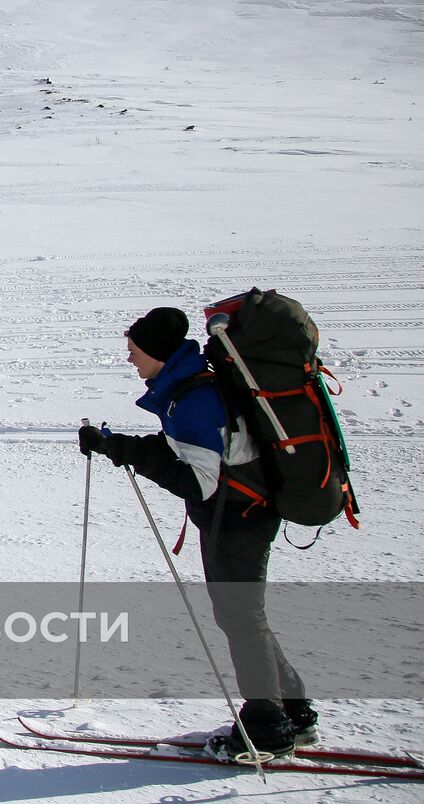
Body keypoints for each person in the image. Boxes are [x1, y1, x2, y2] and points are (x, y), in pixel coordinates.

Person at [78, 307, 317, 761]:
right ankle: (293, 711)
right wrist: (118, 446)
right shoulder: (188, 386)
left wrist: (132, 453)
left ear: (157, 353)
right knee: (245, 616)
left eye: (134, 351)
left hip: (238, 520)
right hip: (240, 514)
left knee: (241, 618)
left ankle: (267, 728)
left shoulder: (192, 397)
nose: (130, 359)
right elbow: (186, 451)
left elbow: (197, 481)